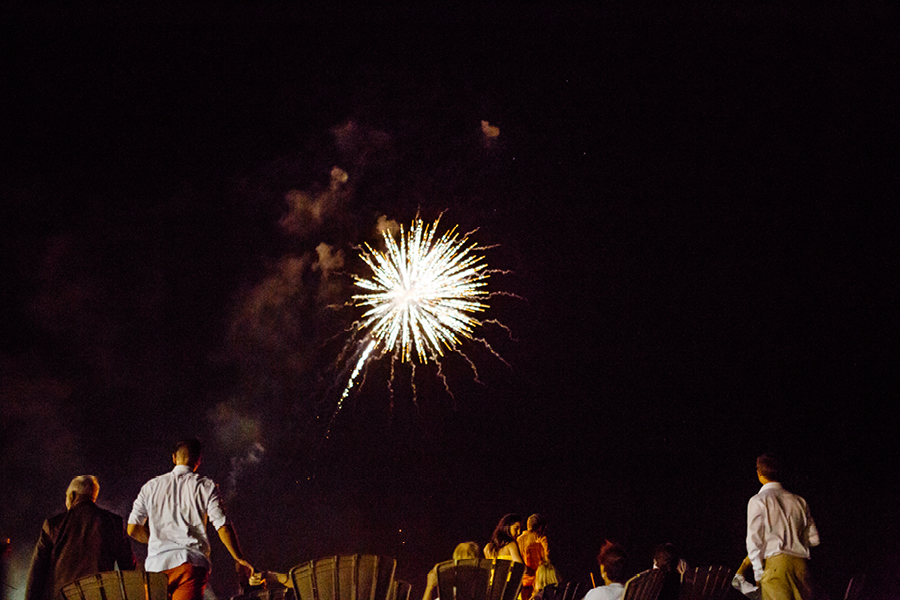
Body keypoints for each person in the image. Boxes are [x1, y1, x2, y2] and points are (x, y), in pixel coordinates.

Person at [127, 439, 254, 600]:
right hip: (190, 564)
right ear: (198, 461)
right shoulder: (206, 486)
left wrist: (159, 540)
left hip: (156, 570)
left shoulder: (150, 487)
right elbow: (223, 525)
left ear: (174, 458)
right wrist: (239, 559)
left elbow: (132, 528)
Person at [25, 476, 136, 600]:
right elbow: (129, 569)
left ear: (72, 495)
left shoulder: (53, 525)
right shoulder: (113, 523)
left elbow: (37, 575)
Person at [746, 453, 819, 600]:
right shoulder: (799, 501)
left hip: (775, 567)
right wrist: (794, 542)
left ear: (759, 473)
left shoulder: (759, 500)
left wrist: (759, 573)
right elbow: (814, 539)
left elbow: (754, 541)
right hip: (801, 567)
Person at [517, 514, 549, 600]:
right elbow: (548, 560)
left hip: (521, 583)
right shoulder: (541, 540)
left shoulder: (517, 540)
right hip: (537, 584)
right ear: (540, 527)